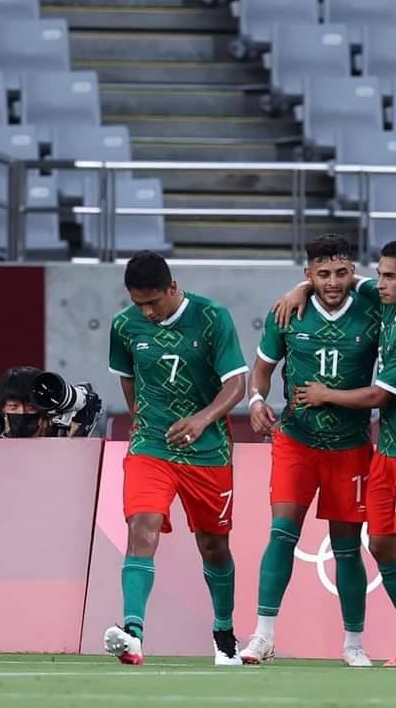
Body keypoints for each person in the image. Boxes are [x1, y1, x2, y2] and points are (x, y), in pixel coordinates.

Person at [271, 238, 396, 668]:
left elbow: (382, 396)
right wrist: (301, 288)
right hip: (386, 447)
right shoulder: (384, 305)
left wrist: (326, 394)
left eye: (386, 276)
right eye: (377, 274)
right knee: (381, 543)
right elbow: (339, 280)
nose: (376, 282)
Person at [241, 234, 381, 667]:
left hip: (351, 446)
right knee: (282, 534)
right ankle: (262, 637)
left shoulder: (373, 307)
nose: (333, 282)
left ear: (352, 270)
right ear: (308, 275)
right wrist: (257, 401)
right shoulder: (286, 312)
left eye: (342, 272)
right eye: (322, 274)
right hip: (296, 441)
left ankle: (354, 644)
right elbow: (262, 372)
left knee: (346, 547)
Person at [104, 250, 249, 667]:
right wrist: (146, 423)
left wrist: (202, 420)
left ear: (173, 287)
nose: (146, 312)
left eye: (153, 301)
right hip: (152, 445)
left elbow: (235, 385)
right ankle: (132, 634)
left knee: (214, 545)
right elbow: (129, 383)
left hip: (207, 451)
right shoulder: (123, 326)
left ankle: (224, 634)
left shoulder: (211, 317)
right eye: (138, 303)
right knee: (142, 525)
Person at [0, 366, 104, 438]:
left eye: (30, 407)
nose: (22, 413)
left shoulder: (61, 432)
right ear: (3, 409)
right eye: (13, 407)